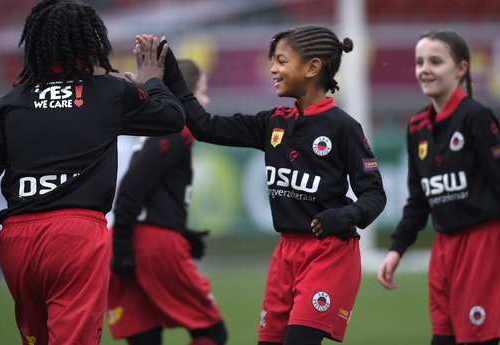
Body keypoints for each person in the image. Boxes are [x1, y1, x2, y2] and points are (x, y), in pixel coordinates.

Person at [0, 0, 185, 344]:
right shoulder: (109, 92)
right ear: (94, 45)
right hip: (76, 238)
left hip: (16, 241)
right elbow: (172, 117)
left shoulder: (8, 105)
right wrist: (150, 82)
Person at [147, 25, 387, 345]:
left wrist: (345, 215)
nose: (272, 68)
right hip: (285, 253)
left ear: (312, 68)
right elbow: (204, 126)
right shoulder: (272, 122)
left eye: (281, 61)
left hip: (328, 254)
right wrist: (173, 74)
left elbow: (374, 193)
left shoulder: (343, 127)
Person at [377, 29, 500, 345]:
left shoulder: (477, 118)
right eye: (419, 62)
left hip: (482, 246)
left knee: (477, 338)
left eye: (435, 61)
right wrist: (396, 249)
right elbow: (419, 199)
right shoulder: (416, 125)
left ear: (460, 69)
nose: (425, 69)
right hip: (443, 251)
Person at [106, 58, 227, 345]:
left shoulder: (156, 128)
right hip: (150, 242)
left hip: (129, 237)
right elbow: (132, 187)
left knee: (144, 337)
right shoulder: (178, 129)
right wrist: (124, 246)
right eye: (201, 91)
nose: (205, 100)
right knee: (212, 331)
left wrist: (179, 229)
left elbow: (145, 189)